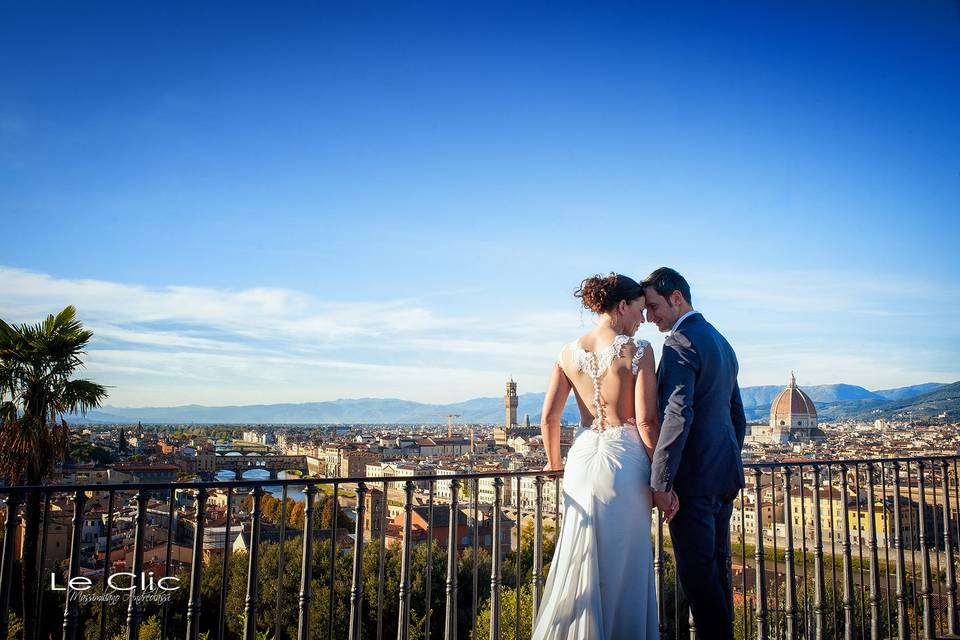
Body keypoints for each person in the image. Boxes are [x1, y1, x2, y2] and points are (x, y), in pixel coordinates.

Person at [532, 273, 665, 640]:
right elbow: (647, 420)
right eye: (639, 310)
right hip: (624, 460)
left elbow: (549, 418)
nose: (642, 321)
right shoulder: (638, 352)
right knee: (624, 559)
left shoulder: (567, 353)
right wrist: (660, 479)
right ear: (622, 306)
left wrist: (553, 463)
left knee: (580, 550)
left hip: (582, 457)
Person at [643, 267, 747, 640]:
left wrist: (661, 481)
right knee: (717, 569)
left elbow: (677, 412)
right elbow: (737, 415)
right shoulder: (720, 340)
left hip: (695, 482)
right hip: (723, 475)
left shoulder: (680, 342)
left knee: (698, 578)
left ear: (676, 298)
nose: (649, 317)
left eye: (653, 307)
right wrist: (726, 458)